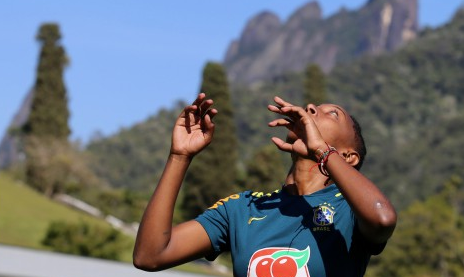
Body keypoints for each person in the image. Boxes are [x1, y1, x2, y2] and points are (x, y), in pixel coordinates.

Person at [133, 93, 397, 277]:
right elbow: (150, 256)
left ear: (349, 157)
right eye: (314, 107)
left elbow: (383, 218)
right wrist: (180, 156)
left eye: (333, 113)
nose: (312, 108)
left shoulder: (350, 208)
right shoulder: (242, 208)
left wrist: (323, 151)